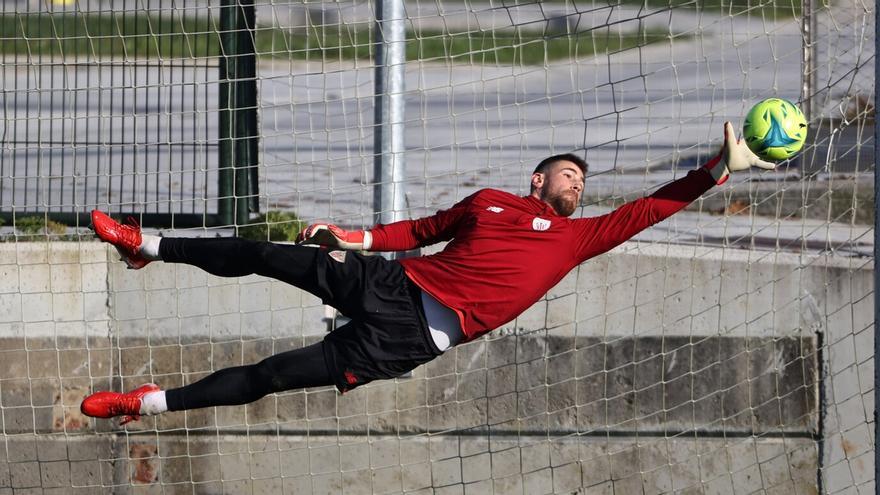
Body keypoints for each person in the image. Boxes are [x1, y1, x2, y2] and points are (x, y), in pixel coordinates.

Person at [80, 122, 774, 424]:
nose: (578, 183)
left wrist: (716, 171)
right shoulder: (488, 202)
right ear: (537, 178)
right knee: (266, 254)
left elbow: (650, 209)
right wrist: (348, 236)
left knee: (269, 377)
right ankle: (147, 243)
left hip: (409, 340)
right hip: (392, 283)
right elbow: (417, 232)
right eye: (569, 172)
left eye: (583, 181)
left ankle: (144, 404)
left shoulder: (579, 237)